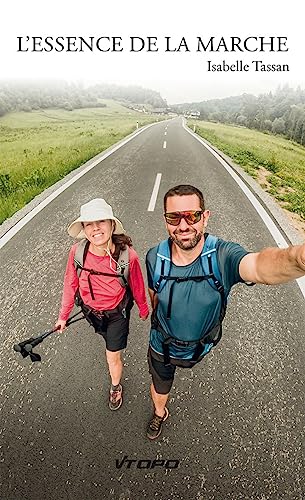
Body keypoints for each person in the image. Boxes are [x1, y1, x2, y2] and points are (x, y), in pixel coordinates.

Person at [145, 184, 305, 439]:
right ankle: (159, 413)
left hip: (200, 346)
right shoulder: (155, 257)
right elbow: (155, 296)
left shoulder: (223, 256)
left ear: (205, 217)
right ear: (165, 220)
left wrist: (298, 259)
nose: (183, 225)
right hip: (161, 345)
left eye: (192, 216)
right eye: (174, 217)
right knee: (160, 385)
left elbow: (260, 266)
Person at [56, 198, 149, 410]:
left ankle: (115, 386)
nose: (95, 228)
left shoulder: (127, 256)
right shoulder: (77, 253)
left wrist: (143, 308)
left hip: (117, 316)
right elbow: (70, 284)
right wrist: (63, 316)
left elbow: (137, 285)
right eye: (89, 224)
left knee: (112, 355)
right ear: (84, 229)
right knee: (104, 336)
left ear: (112, 225)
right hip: (90, 312)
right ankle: (106, 338)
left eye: (101, 222)